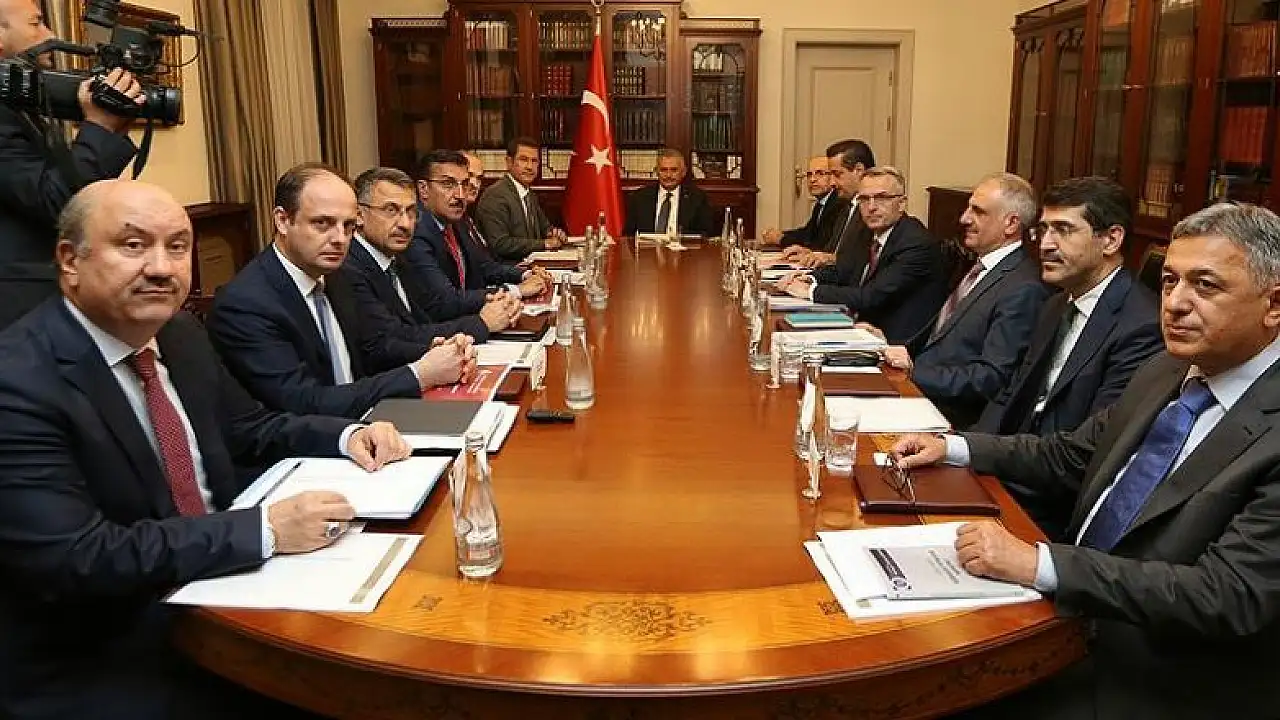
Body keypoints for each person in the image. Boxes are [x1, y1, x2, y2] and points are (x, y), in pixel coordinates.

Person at [0, 179, 411, 719]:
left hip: (223, 590)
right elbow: (77, 556)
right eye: (132, 245)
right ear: (69, 260)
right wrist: (264, 530)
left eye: (177, 247)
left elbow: (252, 427)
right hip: (108, 647)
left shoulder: (180, 335)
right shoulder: (19, 380)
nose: (161, 268)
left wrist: (346, 435)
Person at [894, 202, 1280, 720]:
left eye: (1205, 286)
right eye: (1169, 281)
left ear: (1274, 305)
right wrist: (955, 447)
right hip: (1071, 615)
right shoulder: (1166, 369)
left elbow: (1227, 595)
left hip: (1158, 673)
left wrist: (1041, 564)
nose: (1175, 303)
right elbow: (1072, 453)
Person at [207, 163, 476, 419]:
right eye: (322, 224)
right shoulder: (245, 304)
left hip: (367, 422)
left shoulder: (339, 275)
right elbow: (303, 402)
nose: (339, 239)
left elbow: (374, 348)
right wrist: (420, 374)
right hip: (311, 442)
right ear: (282, 221)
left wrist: (434, 351)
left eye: (348, 226)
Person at [0, 0, 146, 329]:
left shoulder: (19, 105)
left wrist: (113, 128)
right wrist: (100, 127)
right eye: (36, 23)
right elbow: (57, 201)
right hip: (19, 310)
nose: (50, 35)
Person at [875, 172, 1050, 429]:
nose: (964, 218)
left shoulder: (1024, 288)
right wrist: (893, 347)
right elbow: (943, 335)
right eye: (968, 208)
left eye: (978, 212)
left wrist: (912, 372)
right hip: (919, 395)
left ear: (1011, 224)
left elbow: (991, 378)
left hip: (949, 418)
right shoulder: (980, 266)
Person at [342, 167, 518, 362]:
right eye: (391, 210)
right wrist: (481, 323)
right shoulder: (349, 269)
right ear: (359, 215)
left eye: (411, 212)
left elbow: (424, 319)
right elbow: (392, 340)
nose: (405, 224)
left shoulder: (397, 259)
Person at [775, 166, 947, 344]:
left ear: (901, 203)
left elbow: (870, 296)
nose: (871, 207)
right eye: (864, 199)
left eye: (881, 198)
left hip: (896, 342)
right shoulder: (867, 232)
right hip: (862, 326)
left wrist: (810, 291)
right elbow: (843, 270)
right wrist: (809, 278)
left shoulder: (915, 243)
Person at [405, 150, 552, 323]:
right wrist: (517, 290)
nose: (460, 195)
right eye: (448, 184)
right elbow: (446, 301)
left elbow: (484, 266)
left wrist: (524, 275)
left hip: (471, 318)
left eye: (464, 184)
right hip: (445, 330)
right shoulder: (415, 232)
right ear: (423, 189)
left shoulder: (456, 221)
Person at [778, 139, 870, 268]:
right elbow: (831, 252)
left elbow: (863, 263)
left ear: (859, 170)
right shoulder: (847, 207)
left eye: (837, 175)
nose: (832, 183)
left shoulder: (871, 211)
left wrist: (830, 259)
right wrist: (811, 254)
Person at [474, 136, 566, 261]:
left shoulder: (529, 195)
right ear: (509, 162)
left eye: (534, 161)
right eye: (523, 160)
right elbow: (500, 244)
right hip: (506, 268)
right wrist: (545, 244)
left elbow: (545, 229)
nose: (529, 167)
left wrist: (555, 233)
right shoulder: (495, 195)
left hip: (532, 265)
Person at [622, 148, 716, 237]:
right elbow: (628, 235)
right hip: (648, 248)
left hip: (684, 248)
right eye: (663, 170)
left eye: (674, 170)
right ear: (657, 172)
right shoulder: (639, 197)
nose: (668, 175)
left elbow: (706, 235)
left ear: (683, 172)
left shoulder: (698, 198)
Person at [761, 155, 836, 247]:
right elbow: (807, 232)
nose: (812, 179)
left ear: (833, 177)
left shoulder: (837, 203)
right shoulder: (821, 203)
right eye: (809, 174)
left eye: (820, 173)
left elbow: (817, 243)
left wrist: (780, 239)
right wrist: (781, 234)